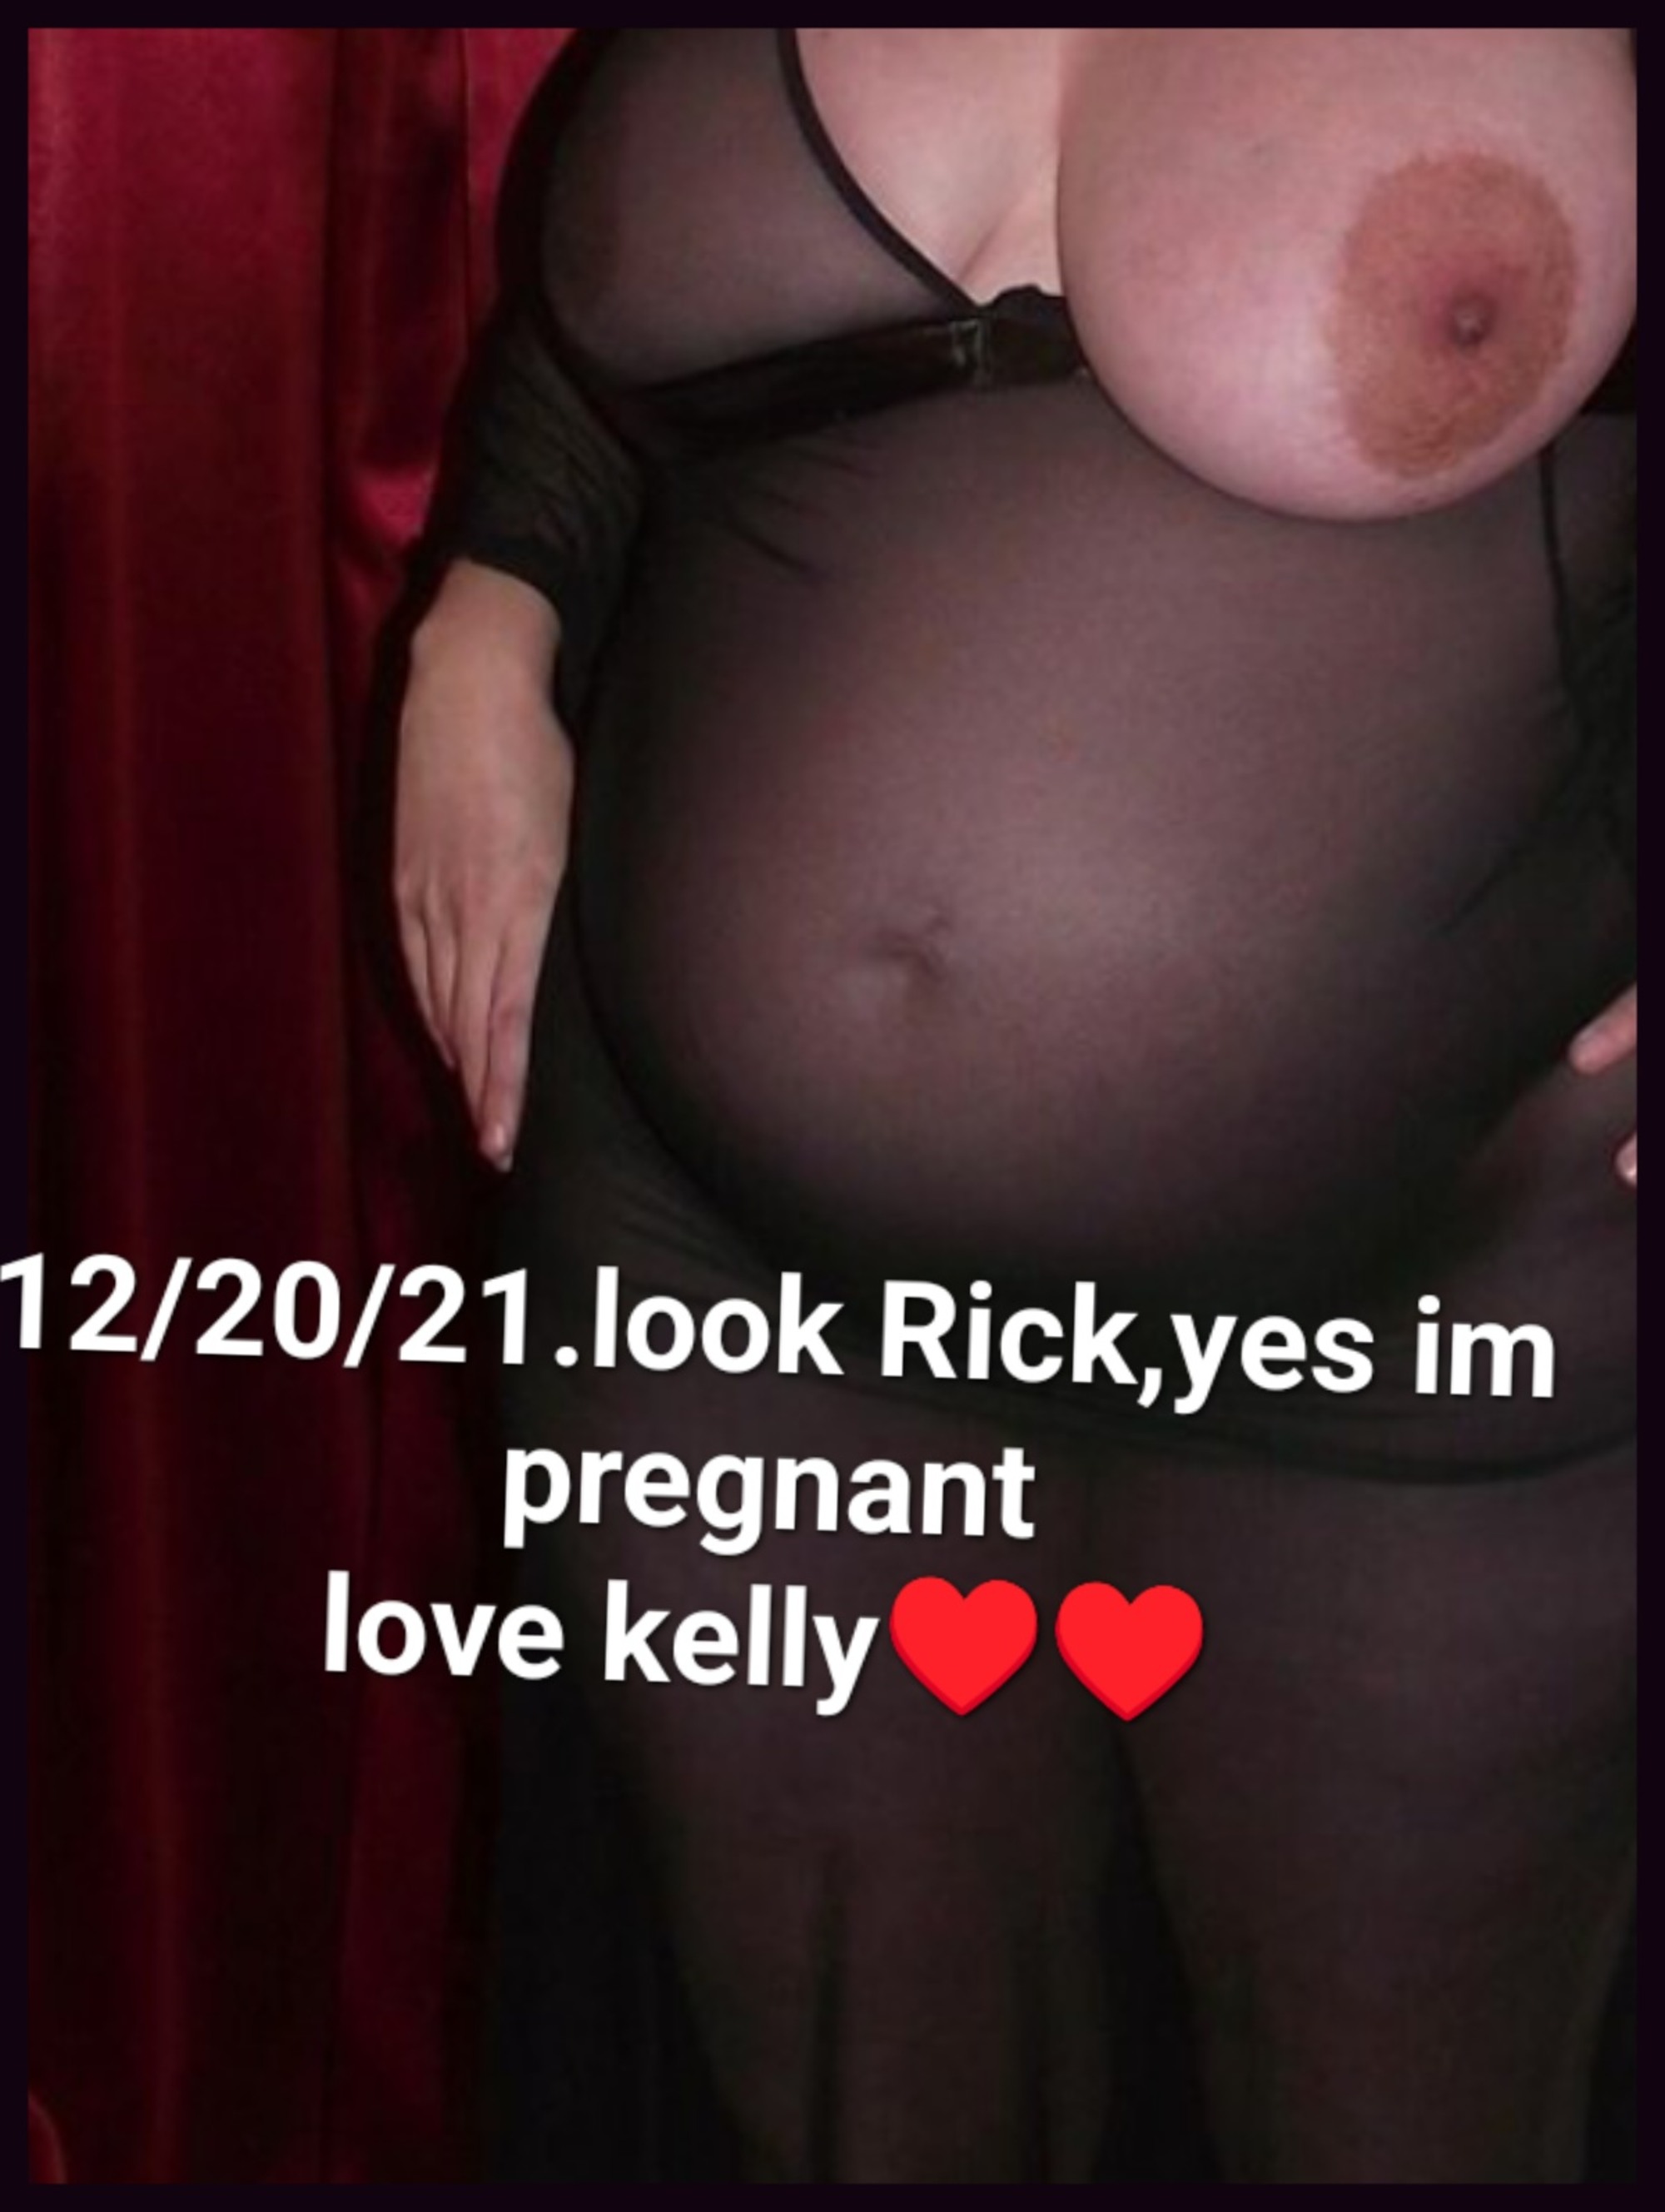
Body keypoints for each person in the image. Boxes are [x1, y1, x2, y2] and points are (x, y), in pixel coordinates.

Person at [395, 29, 1637, 2184]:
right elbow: (608, 358)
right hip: (727, 1277)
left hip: (1421, 1314)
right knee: (857, 2119)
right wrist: (487, 625)